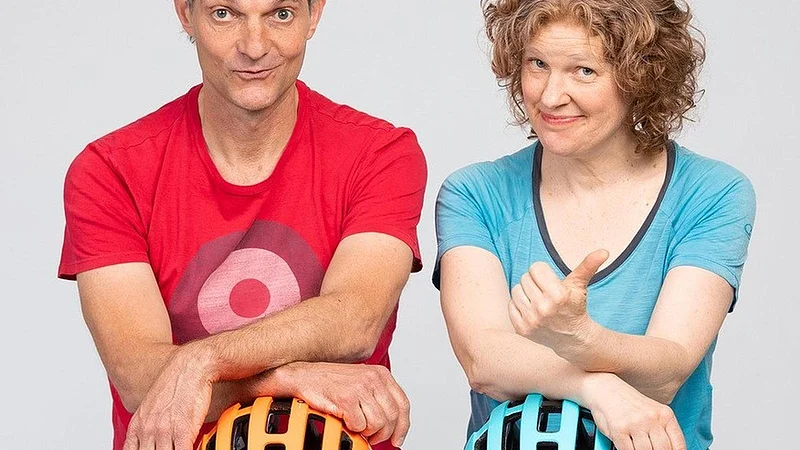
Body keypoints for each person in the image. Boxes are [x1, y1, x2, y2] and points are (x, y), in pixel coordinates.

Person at [58, 1, 426, 450]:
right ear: (185, 13)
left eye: (281, 14)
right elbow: (139, 379)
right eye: (224, 14)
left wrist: (202, 361)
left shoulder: (380, 154)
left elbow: (354, 320)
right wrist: (288, 379)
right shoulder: (109, 172)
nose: (254, 47)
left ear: (314, 14)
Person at [434, 1, 755, 450]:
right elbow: (484, 359)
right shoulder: (475, 193)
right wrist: (594, 387)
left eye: (583, 71)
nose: (550, 96)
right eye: (537, 64)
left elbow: (667, 372)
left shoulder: (712, 192)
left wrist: (581, 338)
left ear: (642, 77)